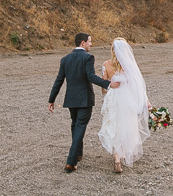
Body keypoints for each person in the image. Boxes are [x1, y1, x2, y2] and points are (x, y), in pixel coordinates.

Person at [48, 32, 120, 173]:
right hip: (85, 99)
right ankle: (71, 161)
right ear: (83, 43)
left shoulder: (65, 59)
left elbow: (59, 80)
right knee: (80, 127)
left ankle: (78, 154)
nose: (91, 44)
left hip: (71, 99)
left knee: (75, 125)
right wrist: (109, 84)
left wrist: (52, 99)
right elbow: (91, 76)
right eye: (89, 41)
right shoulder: (88, 57)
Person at [98, 37, 153, 173]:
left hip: (113, 98)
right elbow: (138, 86)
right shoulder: (130, 66)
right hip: (127, 99)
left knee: (113, 125)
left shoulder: (106, 64)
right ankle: (123, 153)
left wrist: (110, 88)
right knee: (126, 125)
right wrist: (145, 101)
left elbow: (104, 89)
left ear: (113, 50)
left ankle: (117, 158)